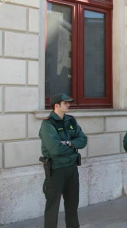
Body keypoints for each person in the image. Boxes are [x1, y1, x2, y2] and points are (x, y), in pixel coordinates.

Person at [39, 93, 87, 228]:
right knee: (52, 207)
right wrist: (73, 147)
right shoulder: (47, 123)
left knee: (72, 205)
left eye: (68, 102)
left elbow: (83, 140)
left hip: (71, 168)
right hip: (56, 170)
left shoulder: (71, 121)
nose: (69, 105)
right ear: (56, 105)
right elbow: (55, 149)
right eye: (66, 103)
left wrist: (68, 143)